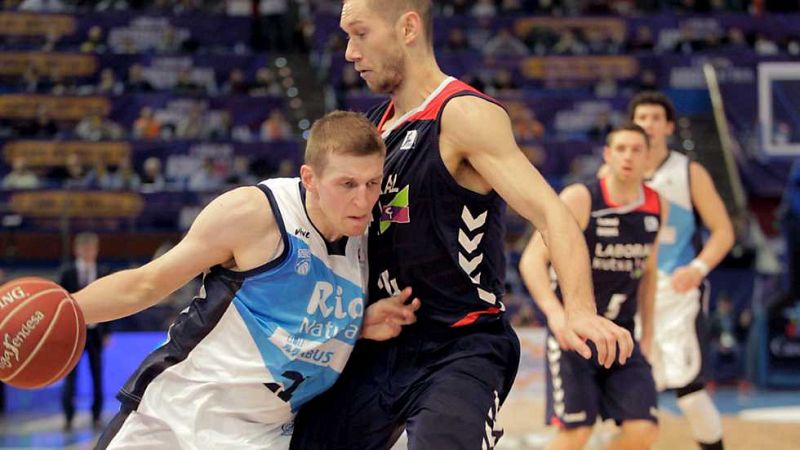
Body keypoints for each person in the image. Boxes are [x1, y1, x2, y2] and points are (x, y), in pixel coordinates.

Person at [291, 2, 634, 449]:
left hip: (459, 346)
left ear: (408, 27)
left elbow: (552, 213)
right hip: (379, 343)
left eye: (359, 34)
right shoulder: (371, 130)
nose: (349, 52)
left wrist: (580, 309)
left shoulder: (463, 116)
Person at [63, 111, 420, 449]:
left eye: (372, 183)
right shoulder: (256, 213)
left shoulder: (370, 237)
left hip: (264, 436)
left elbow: (295, 317)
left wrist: (357, 325)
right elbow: (145, 285)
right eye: (347, 184)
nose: (363, 199)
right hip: (175, 418)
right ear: (309, 178)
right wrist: (62, 312)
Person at [521, 124, 665, 450]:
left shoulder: (657, 205)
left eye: (636, 150)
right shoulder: (582, 198)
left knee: (644, 429)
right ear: (608, 155)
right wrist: (556, 316)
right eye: (621, 149)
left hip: (621, 335)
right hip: (575, 337)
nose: (628, 156)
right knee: (575, 434)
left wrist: (649, 334)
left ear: (649, 159)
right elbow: (531, 261)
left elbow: (650, 273)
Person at [629, 91, 735, 450]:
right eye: (642, 117)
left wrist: (699, 267)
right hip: (630, 290)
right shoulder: (615, 172)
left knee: (688, 388)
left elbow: (724, 231)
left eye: (656, 118)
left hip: (676, 289)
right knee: (633, 384)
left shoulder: (689, 172)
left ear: (669, 127)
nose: (649, 124)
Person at [60, 232, 110, 431]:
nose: (90, 251)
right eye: (85, 248)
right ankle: (68, 416)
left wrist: (107, 331)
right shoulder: (67, 273)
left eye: (93, 247)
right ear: (77, 250)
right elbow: (60, 305)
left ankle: (97, 415)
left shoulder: (103, 271)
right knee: (71, 377)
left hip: (96, 333)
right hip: (73, 333)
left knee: (97, 375)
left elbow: (110, 303)